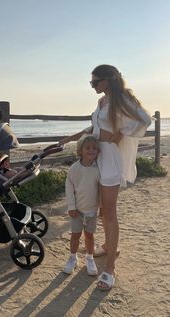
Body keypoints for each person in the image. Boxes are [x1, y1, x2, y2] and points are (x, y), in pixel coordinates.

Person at [59, 64, 152, 290]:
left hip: (109, 159)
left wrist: (119, 134)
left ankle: (110, 269)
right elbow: (97, 126)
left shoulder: (121, 99)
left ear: (107, 81)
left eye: (95, 82)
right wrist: (74, 136)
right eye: (91, 83)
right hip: (96, 159)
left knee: (109, 213)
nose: (92, 86)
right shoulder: (103, 101)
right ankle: (110, 247)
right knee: (101, 210)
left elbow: (145, 119)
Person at [63, 135, 100, 276]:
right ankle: (73, 257)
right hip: (76, 211)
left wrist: (101, 206)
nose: (91, 151)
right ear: (81, 150)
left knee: (90, 236)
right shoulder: (74, 169)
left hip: (92, 211)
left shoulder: (98, 169)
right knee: (75, 235)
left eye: (94, 148)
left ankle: (90, 257)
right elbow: (69, 187)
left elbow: (101, 189)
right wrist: (71, 207)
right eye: (88, 148)